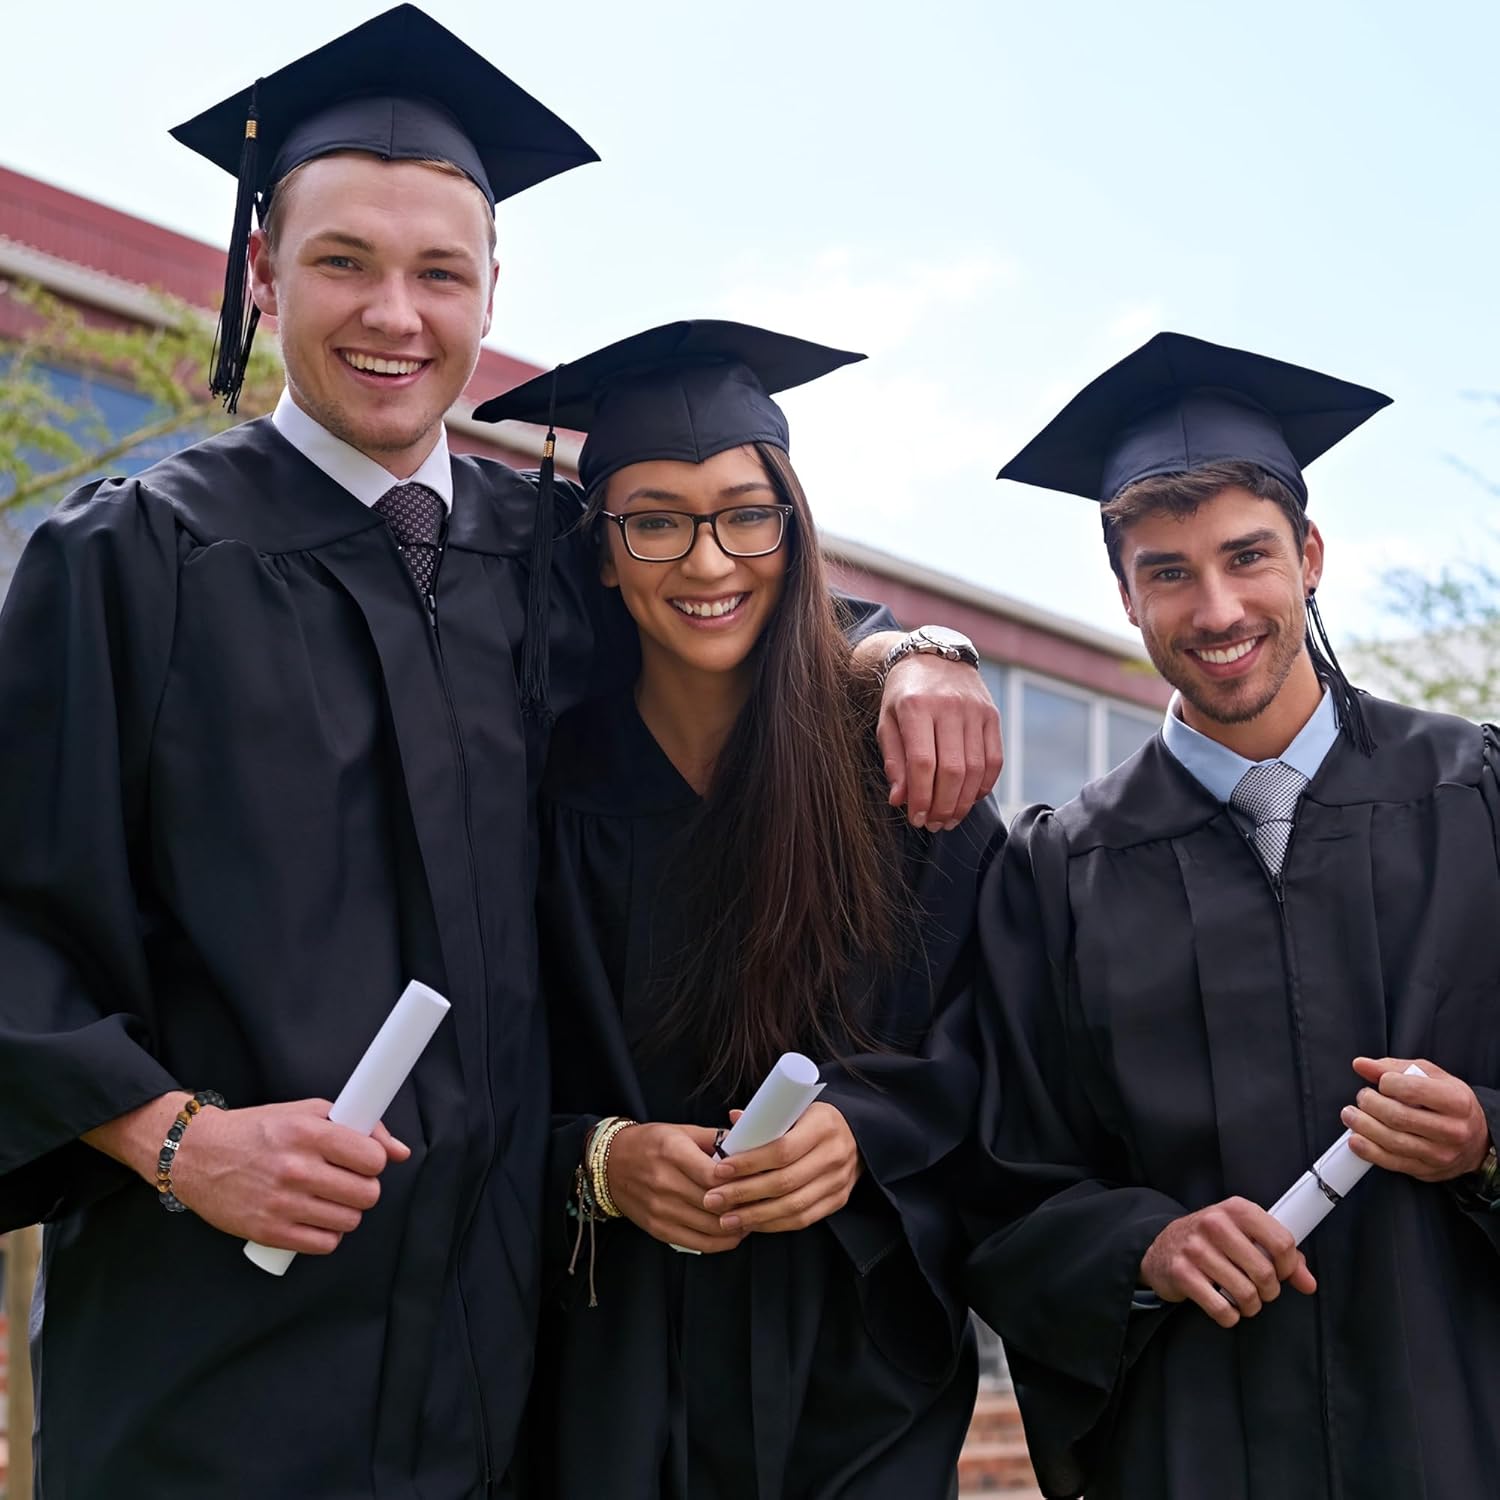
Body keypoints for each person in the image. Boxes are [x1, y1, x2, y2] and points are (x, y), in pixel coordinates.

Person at [0, 12, 1000, 1497]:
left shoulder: (544, 551)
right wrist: (175, 1142)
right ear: (264, 271)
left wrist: (911, 648)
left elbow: (733, 597)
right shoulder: (132, 565)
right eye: (344, 262)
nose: (394, 315)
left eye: (439, 273)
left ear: (491, 290)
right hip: (218, 1356)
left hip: (499, 1370)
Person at [963, 332, 1500, 1500]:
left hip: (1462, 1426)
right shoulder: (1059, 873)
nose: (1217, 610)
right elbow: (998, 1187)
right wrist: (1141, 1245)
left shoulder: (1476, 796)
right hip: (1197, 1446)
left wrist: (1485, 1142)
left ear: (1309, 556)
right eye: (1168, 573)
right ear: (1124, 594)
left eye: (1247, 556)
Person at [478, 321, 1002, 1499]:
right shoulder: (535, 796)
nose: (709, 561)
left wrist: (861, 1133)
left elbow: (991, 1040)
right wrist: (598, 1159)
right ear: (603, 554)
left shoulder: (903, 785)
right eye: (657, 521)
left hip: (846, 1372)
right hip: (598, 1359)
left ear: (793, 532)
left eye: (745, 515)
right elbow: (483, 1062)